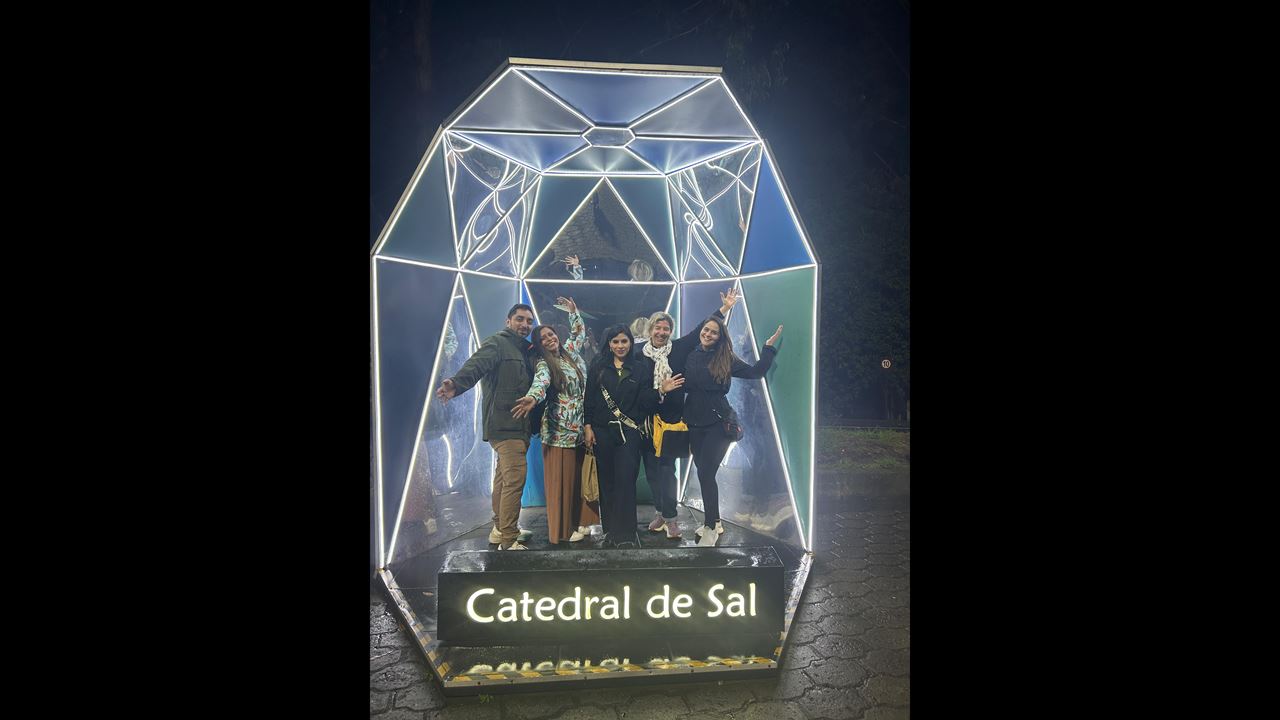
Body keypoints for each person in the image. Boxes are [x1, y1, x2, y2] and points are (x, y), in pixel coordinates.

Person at [635, 287, 739, 539]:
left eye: (666, 329)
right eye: (657, 328)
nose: (661, 332)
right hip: (646, 420)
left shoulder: (678, 349)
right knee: (651, 470)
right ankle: (661, 512)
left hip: (671, 420)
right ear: (650, 331)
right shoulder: (637, 354)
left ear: (670, 332)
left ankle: (671, 519)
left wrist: (724, 308)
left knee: (667, 470)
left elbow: (701, 330)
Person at [435, 303, 537, 550]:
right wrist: (456, 385)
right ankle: (509, 538)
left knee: (503, 479)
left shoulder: (523, 349)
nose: (525, 325)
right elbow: (476, 365)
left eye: (529, 321)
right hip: (505, 424)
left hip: (517, 425)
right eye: (520, 319)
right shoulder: (498, 343)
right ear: (508, 321)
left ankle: (499, 528)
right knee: (514, 480)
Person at [679, 314, 784, 546]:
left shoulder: (726, 358)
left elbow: (756, 372)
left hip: (719, 424)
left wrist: (768, 348)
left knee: (706, 473)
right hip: (694, 423)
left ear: (720, 337)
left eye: (713, 332)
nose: (708, 334)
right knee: (703, 470)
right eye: (706, 330)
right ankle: (715, 520)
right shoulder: (691, 355)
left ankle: (709, 528)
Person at [583, 325, 682, 547]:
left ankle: (626, 534)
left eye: (624, 341)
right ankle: (610, 530)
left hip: (629, 432)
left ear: (630, 343)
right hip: (601, 431)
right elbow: (589, 398)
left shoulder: (639, 368)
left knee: (627, 481)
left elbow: (644, 400)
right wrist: (587, 426)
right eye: (615, 341)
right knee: (607, 482)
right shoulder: (598, 366)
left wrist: (660, 391)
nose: (620, 346)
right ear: (609, 343)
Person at [511, 297, 599, 544]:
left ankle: (580, 522)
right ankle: (561, 530)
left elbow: (579, 334)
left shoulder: (568, 354)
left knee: (577, 481)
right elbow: (540, 383)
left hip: (579, 430)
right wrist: (531, 398)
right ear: (538, 346)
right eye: (544, 339)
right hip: (559, 432)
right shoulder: (543, 363)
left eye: (551, 335)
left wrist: (573, 312)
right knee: (561, 483)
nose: (550, 339)